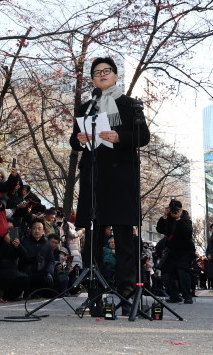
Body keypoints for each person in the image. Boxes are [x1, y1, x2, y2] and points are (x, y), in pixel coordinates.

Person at [69, 56, 150, 303]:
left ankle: (127, 293)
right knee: (93, 237)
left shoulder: (130, 104)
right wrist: (80, 140)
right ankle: (95, 293)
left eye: (106, 70)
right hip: (95, 176)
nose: (102, 74)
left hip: (121, 177)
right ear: (92, 80)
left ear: (115, 75)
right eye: (97, 72)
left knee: (123, 238)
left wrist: (119, 137)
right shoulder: (87, 107)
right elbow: (74, 140)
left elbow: (143, 136)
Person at [156, 200, 196, 304]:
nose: (174, 212)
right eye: (172, 210)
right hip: (171, 252)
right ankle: (174, 296)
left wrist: (178, 219)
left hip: (185, 252)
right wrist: (164, 216)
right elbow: (160, 229)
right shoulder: (168, 219)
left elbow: (188, 233)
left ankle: (187, 297)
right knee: (166, 274)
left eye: (177, 210)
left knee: (182, 272)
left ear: (181, 209)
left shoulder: (186, 219)